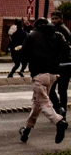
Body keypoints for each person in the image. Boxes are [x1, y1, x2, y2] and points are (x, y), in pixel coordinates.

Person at [19, 17, 70, 145]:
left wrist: (26, 61)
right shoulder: (55, 35)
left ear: (36, 26)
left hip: (39, 74)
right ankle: (26, 131)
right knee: (37, 104)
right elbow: (65, 50)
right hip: (53, 74)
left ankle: (59, 122)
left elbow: (23, 54)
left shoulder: (32, 36)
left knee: (43, 103)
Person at [50, 9, 71, 117]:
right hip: (64, 64)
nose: (54, 21)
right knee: (61, 90)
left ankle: (59, 109)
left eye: (56, 18)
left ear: (61, 19)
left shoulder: (60, 31)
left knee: (53, 89)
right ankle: (61, 111)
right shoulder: (61, 29)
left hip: (61, 65)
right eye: (52, 18)